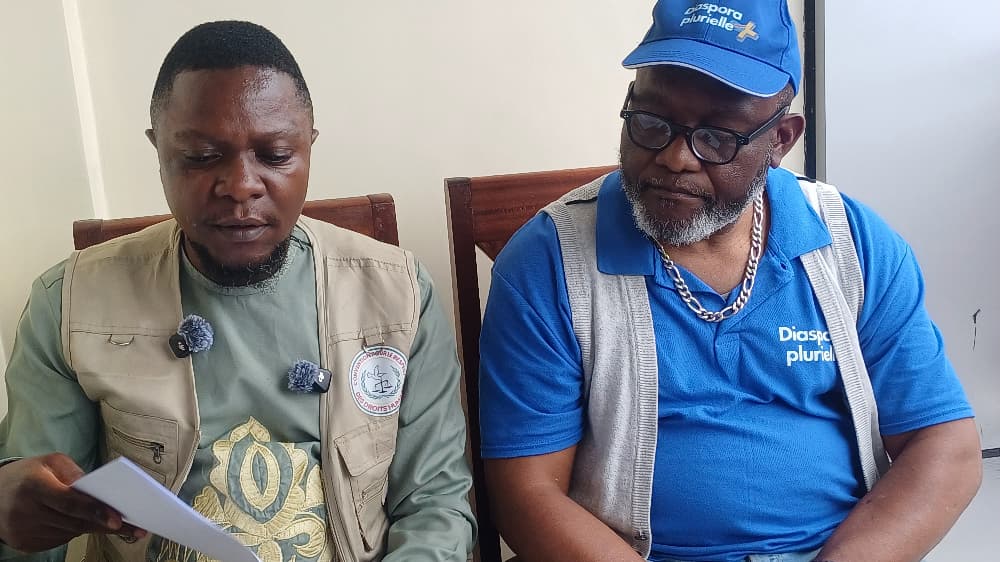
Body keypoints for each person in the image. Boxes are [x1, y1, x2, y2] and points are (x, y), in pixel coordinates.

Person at [477, 1, 981, 561]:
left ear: (781, 140)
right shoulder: (551, 261)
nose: (675, 158)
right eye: (650, 123)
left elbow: (944, 443)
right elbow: (527, 493)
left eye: (717, 137)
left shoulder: (850, 243)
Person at [0, 21, 475, 562]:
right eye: (202, 157)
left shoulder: (399, 295)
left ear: (309, 146)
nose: (241, 186)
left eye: (275, 155)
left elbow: (436, 504)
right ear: (159, 150)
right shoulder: (69, 303)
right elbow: (36, 510)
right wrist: (8, 516)